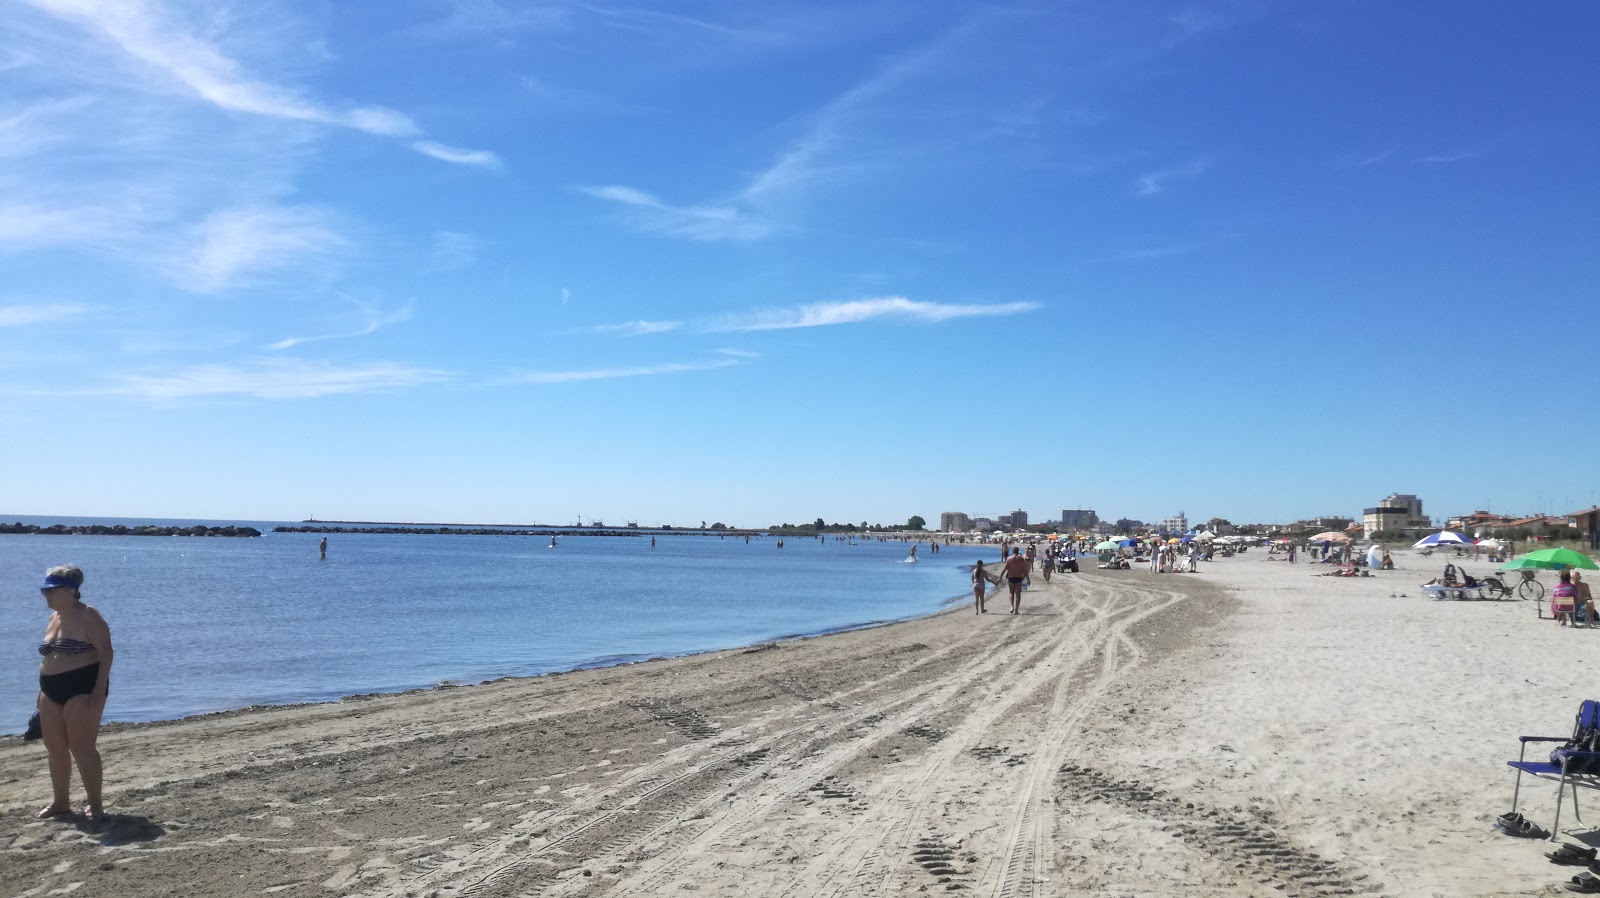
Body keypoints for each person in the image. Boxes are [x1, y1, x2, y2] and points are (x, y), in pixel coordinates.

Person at [34, 565, 113, 821]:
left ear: (70, 590)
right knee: (55, 747)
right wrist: (42, 690)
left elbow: (106, 653)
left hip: (83, 687)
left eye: (51, 589)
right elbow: (53, 656)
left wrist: (99, 690)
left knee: (82, 747)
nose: (46, 594)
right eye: (44, 589)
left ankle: (95, 804)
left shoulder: (89, 615)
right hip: (50, 690)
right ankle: (61, 803)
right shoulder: (54, 617)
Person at [1001, 548, 1029, 614]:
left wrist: (1000, 577)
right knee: (1018, 595)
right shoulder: (1021, 559)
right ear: (1018, 551)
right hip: (1018, 577)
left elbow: (1005, 569)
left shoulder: (1009, 559)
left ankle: (1012, 606)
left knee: (1011, 593)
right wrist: (1028, 578)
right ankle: (1016, 610)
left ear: (1013, 551)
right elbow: (1025, 570)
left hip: (1011, 577)